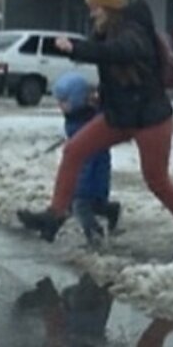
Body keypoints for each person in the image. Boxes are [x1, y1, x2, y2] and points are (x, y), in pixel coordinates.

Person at [18, 0, 173, 262]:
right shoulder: (106, 30)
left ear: (109, 7)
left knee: (157, 180)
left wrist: (78, 48)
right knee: (73, 151)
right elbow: (115, 70)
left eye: (95, 6)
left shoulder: (134, 30)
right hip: (120, 115)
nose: (91, 12)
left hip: (150, 119)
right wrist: (101, 95)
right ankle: (55, 216)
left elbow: (119, 54)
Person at [53, 70, 122, 246]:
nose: (60, 106)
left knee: (81, 206)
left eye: (64, 101)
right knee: (92, 206)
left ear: (76, 100)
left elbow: (88, 160)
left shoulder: (87, 123)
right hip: (90, 176)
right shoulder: (76, 119)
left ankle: (94, 235)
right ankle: (111, 210)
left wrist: (78, 186)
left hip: (92, 177)